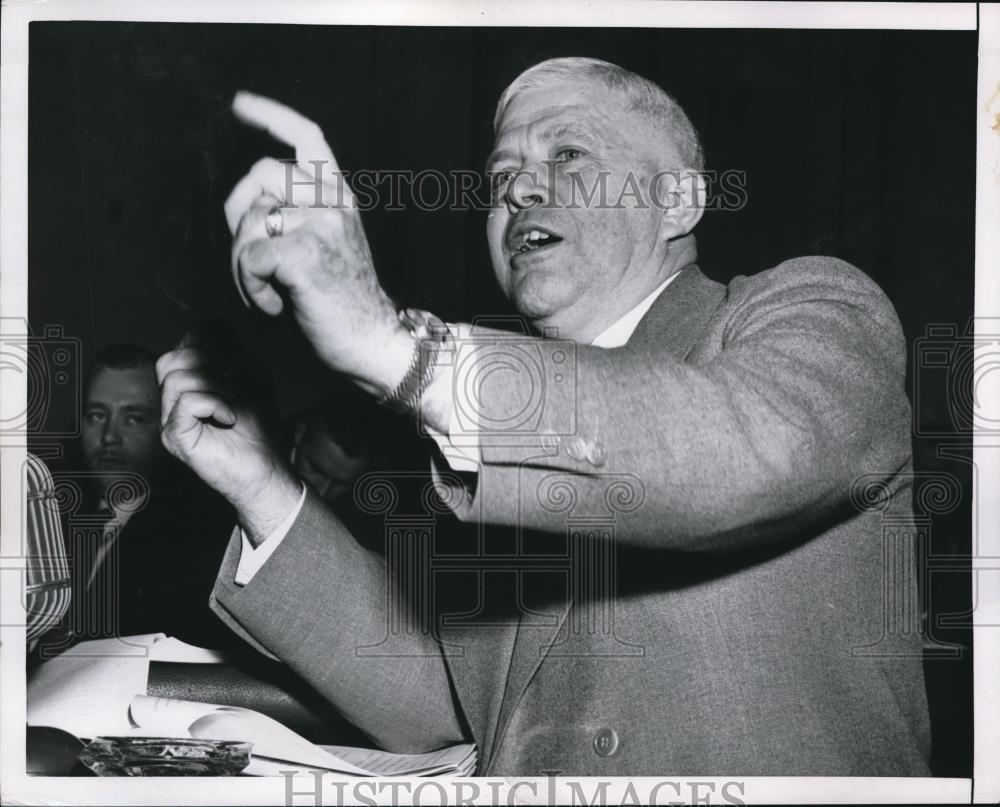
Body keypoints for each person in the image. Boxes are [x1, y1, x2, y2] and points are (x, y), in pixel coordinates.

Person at [158, 57, 931, 775]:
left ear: (677, 200)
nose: (520, 190)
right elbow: (449, 707)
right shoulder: (477, 438)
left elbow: (745, 445)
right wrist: (264, 486)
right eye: (502, 175)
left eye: (568, 155)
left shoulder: (817, 310)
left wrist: (397, 348)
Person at [42, 343, 238, 652]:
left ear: (166, 425)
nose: (109, 436)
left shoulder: (194, 538)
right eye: (97, 415)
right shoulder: (45, 512)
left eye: (133, 418)